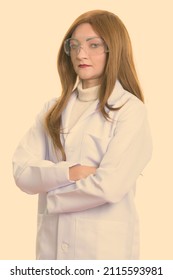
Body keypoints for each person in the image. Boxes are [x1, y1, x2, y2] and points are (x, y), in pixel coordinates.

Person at [12, 10, 152, 260]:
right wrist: (71, 172)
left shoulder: (130, 110)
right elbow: (22, 172)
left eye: (93, 45)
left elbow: (109, 187)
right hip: (51, 254)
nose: (80, 54)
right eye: (74, 45)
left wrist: (50, 192)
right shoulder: (52, 110)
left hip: (104, 254)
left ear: (114, 49)